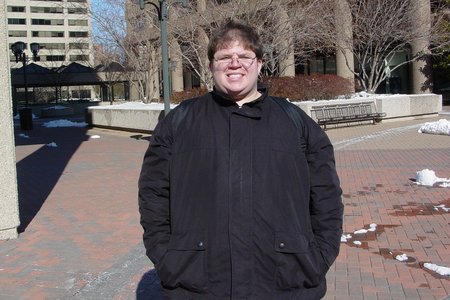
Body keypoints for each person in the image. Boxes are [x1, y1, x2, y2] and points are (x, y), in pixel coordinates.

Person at [138, 20, 343, 299]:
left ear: (259, 64)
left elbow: (326, 197)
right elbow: (153, 195)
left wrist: (318, 257)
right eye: (224, 57)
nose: (235, 64)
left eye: (245, 56)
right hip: (198, 283)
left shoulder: (295, 122)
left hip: (287, 281)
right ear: (211, 66)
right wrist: (167, 258)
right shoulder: (180, 122)